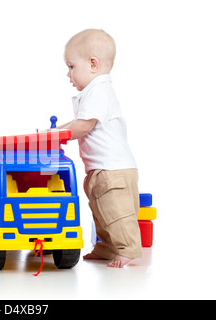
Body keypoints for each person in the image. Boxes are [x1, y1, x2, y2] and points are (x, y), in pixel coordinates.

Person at [55, 29, 142, 268]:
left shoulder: (99, 90)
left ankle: (129, 248)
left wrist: (56, 135)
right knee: (102, 212)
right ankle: (106, 247)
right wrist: (53, 134)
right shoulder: (94, 92)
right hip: (101, 169)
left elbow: (82, 126)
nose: (68, 74)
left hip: (113, 170)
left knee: (117, 213)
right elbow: (77, 124)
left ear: (93, 64)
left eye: (71, 66)